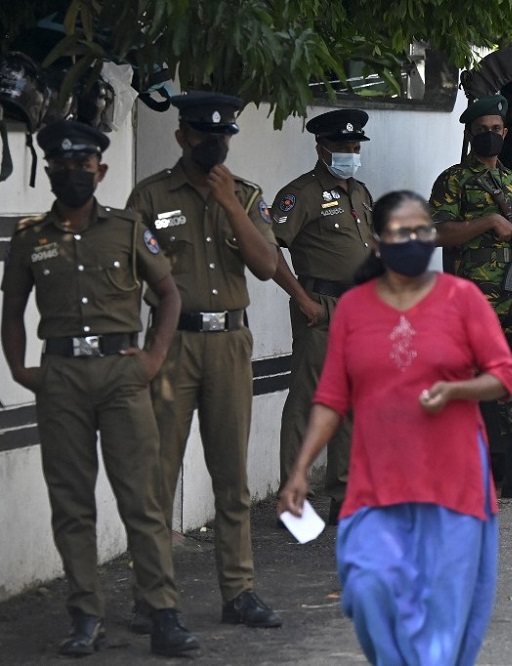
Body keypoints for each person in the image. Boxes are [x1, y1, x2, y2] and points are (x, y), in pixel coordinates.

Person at [279, 190, 512, 666]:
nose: (415, 240)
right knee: (368, 592)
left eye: (423, 231)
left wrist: (455, 391)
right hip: (376, 486)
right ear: (376, 241)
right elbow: (330, 398)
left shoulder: (462, 298)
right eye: (402, 233)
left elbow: (504, 376)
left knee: (440, 620)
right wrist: (300, 468)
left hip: (453, 485)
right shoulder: (353, 308)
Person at [0, 120, 199, 657]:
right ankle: (85, 616)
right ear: (49, 172)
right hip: (60, 378)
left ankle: (162, 613)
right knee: (71, 503)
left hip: (121, 375)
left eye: (83, 167)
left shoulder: (129, 228)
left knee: (143, 499)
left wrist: (154, 358)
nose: (73, 175)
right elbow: (12, 309)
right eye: (62, 167)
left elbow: (169, 294)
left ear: (100, 171)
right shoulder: (30, 238)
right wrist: (19, 369)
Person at [126, 91, 282, 628]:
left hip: (230, 345)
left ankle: (238, 592)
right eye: (203, 136)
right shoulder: (149, 197)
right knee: (158, 474)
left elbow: (265, 266)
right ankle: (152, 597)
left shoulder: (246, 194)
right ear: (181, 138)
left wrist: (232, 206)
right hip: (173, 344)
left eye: (223, 136)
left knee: (231, 475)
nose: (214, 145)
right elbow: (131, 276)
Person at [429, 94, 512, 500]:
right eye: (482, 130)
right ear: (470, 132)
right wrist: (487, 221)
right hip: (473, 299)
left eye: (497, 130)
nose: (491, 136)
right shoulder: (454, 180)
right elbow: (437, 233)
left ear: (505, 132)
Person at [271, 109, 375, 524]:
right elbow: (269, 246)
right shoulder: (302, 193)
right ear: (322, 148)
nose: (351, 153)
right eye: (343, 147)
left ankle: (344, 493)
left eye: (355, 147)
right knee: (309, 401)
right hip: (323, 308)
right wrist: (302, 299)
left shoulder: (361, 192)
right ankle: (293, 497)